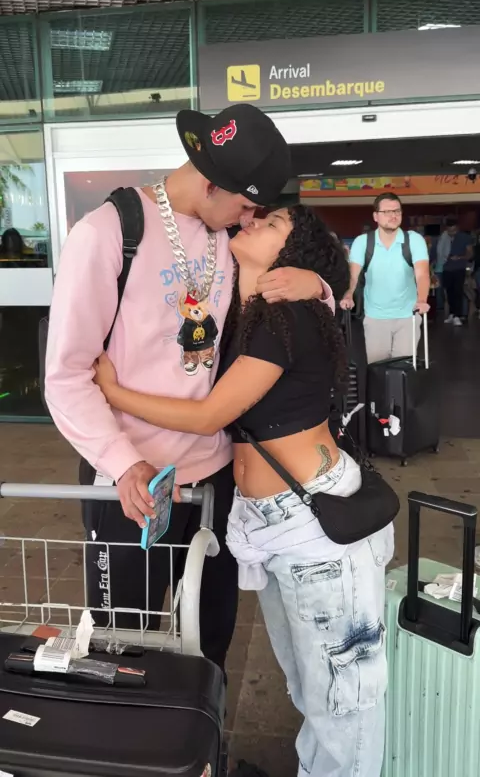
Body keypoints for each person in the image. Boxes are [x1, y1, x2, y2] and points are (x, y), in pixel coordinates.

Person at [94, 204, 394, 777]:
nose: (251, 222)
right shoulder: (250, 313)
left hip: (313, 521)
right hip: (276, 519)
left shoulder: (288, 317)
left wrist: (114, 393)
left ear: (291, 256)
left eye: (272, 224)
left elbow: (210, 415)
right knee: (309, 682)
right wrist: (323, 284)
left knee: (342, 697)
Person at [45, 103, 333, 677]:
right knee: (121, 646)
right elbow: (67, 375)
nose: (249, 220)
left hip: (214, 481)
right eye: (246, 206)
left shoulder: (224, 239)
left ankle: (202, 733)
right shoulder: (109, 233)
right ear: (210, 184)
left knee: (210, 640)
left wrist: (318, 284)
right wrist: (123, 463)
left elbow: (294, 298)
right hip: (132, 486)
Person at [340, 192, 430, 364]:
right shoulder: (363, 242)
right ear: (376, 216)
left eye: (397, 211)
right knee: (377, 370)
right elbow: (353, 274)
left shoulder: (414, 240)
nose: (393, 216)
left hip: (408, 316)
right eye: (387, 212)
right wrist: (348, 294)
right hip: (375, 317)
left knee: (403, 369)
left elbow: (422, 274)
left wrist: (422, 300)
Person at [440, 217, 473, 326]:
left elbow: (470, 253)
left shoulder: (465, 237)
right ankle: (452, 313)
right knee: (449, 292)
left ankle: (458, 315)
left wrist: (459, 257)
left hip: (459, 268)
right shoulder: (444, 238)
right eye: (449, 231)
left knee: (458, 291)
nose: (452, 233)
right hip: (446, 268)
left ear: (457, 228)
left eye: (454, 230)